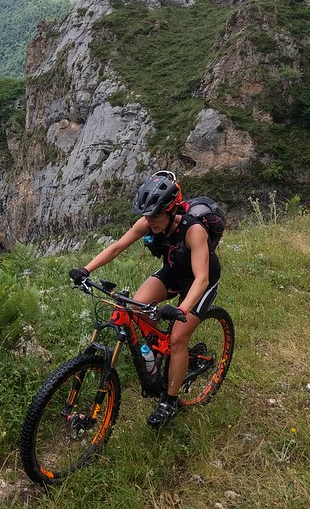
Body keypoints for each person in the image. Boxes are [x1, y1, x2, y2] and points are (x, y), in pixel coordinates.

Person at [68, 170, 221, 429]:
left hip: (199, 281)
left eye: (155, 215)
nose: (150, 221)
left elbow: (202, 279)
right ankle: (155, 352)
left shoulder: (193, 231)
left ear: (172, 211)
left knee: (177, 338)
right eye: (147, 216)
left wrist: (181, 308)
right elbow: (117, 246)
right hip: (172, 272)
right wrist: (86, 269)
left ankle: (169, 401)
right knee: (136, 306)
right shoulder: (148, 223)